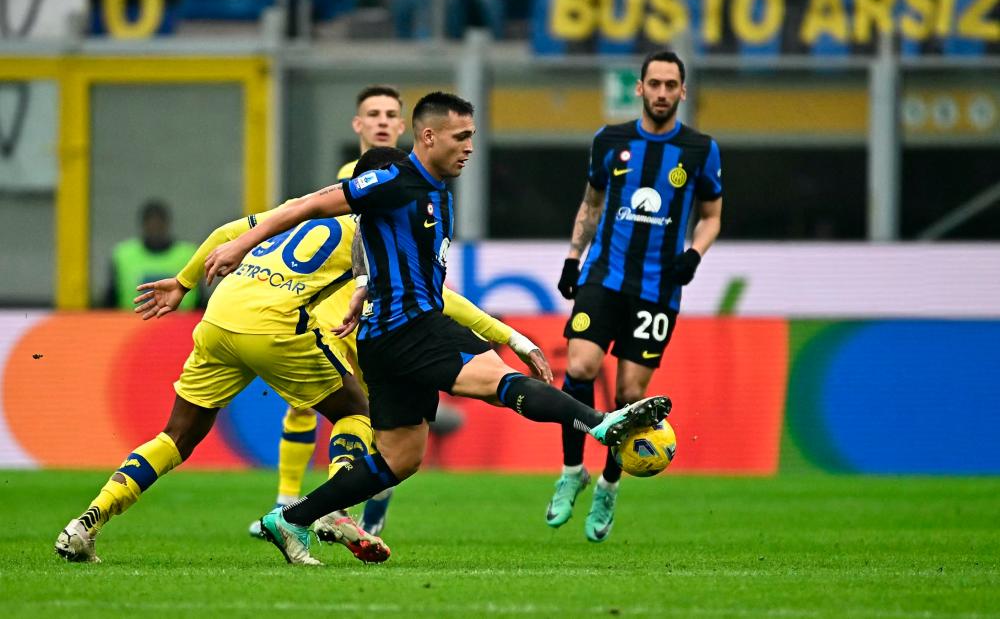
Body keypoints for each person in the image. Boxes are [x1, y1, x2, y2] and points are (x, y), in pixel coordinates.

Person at [202, 91, 672, 564]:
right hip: (409, 330)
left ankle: (291, 519)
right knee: (498, 382)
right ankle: (601, 423)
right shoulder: (392, 179)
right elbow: (309, 206)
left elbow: (393, 258)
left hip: (387, 337)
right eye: (461, 136)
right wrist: (242, 243)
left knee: (399, 460)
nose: (470, 147)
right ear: (428, 136)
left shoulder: (438, 194)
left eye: (473, 136)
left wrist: (365, 290)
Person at [56, 165, 391, 566]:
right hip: (274, 326)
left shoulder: (298, 208)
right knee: (356, 411)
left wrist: (182, 283)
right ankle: (334, 508)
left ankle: (85, 524)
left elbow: (222, 236)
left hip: (220, 314)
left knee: (176, 436)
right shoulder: (375, 233)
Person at [547, 50, 723, 543]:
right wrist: (572, 259)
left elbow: (712, 215)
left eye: (672, 85)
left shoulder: (701, 149)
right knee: (578, 369)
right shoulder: (610, 140)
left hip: (659, 288)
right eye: (655, 84)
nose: (663, 93)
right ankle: (570, 470)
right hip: (604, 276)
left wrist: (695, 253)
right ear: (640, 88)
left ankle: (608, 483)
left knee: (629, 396)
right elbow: (592, 203)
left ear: (682, 92)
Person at [249, 84, 406, 538]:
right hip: (333, 312)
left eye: (389, 114)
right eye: (372, 113)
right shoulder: (352, 177)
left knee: (382, 418)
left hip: (379, 315)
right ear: (357, 125)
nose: (380, 121)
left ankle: (367, 516)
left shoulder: (412, 180)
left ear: (401, 125)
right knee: (302, 404)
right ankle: (285, 501)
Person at [105, 200, 203, 310]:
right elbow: (109, 300)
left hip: (181, 325)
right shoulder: (123, 255)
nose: (155, 227)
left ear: (166, 224)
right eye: (151, 223)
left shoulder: (188, 255)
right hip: (133, 325)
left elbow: (202, 301)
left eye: (159, 223)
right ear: (143, 225)